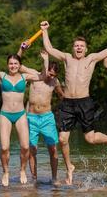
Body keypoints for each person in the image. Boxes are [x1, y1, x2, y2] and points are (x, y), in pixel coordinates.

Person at [40, 20, 107, 185]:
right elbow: (50, 49)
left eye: (81, 46)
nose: (79, 48)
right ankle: (69, 167)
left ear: (86, 48)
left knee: (89, 138)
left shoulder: (91, 59)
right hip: (67, 104)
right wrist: (44, 31)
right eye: (76, 46)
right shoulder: (67, 58)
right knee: (62, 139)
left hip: (84, 103)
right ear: (73, 48)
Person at [0, 44, 45, 187]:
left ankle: (22, 170)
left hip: (20, 115)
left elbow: (43, 76)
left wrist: (44, 61)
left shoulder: (25, 77)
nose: (13, 66)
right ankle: (5, 172)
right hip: (5, 115)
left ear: (19, 64)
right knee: (4, 147)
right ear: (7, 65)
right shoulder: (2, 76)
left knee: (25, 147)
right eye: (10, 63)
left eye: (15, 63)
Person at [18, 45, 64, 185]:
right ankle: (34, 179)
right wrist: (21, 49)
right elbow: (18, 65)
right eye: (50, 74)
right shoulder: (34, 75)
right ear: (46, 69)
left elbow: (63, 96)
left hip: (47, 118)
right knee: (32, 150)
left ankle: (54, 178)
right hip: (31, 118)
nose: (50, 77)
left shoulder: (55, 82)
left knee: (53, 148)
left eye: (53, 75)